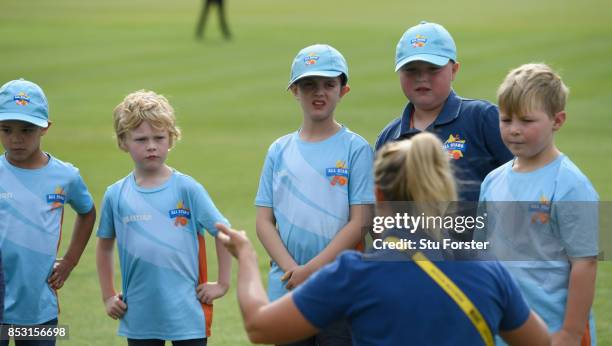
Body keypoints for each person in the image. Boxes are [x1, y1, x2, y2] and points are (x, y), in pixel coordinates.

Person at [218, 132, 550, 346]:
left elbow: (260, 327)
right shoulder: (488, 269)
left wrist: (245, 256)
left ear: (378, 194)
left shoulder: (355, 274)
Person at [254, 43, 375, 345]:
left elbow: (359, 221)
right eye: (308, 85)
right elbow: (264, 221)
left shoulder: (355, 149)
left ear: (343, 90)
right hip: (287, 287)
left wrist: (312, 270)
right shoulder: (279, 150)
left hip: (339, 287)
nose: (318, 92)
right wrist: (292, 270)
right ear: (294, 90)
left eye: (328, 85)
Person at [96, 90, 232, 346]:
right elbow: (104, 247)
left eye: (159, 137)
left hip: (188, 314)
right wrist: (107, 296)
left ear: (171, 139)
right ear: (123, 141)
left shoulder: (187, 189)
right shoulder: (116, 195)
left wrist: (222, 284)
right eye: (141, 139)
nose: (151, 146)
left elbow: (224, 232)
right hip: (138, 316)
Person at [479, 63, 598, 345]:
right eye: (506, 120)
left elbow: (585, 263)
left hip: (554, 331)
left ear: (557, 121)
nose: (514, 130)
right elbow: (481, 256)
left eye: (526, 121)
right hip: (501, 332)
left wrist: (569, 332)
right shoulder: (492, 180)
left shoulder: (571, 184)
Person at [0, 79, 97, 346]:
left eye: (26, 130)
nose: (16, 138)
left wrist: (69, 262)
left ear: (45, 127)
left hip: (38, 306)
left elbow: (87, 212)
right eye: (6, 129)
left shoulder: (65, 176)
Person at [375, 21, 512, 201]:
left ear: (454, 70)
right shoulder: (389, 137)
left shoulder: (482, 118)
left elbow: (521, 178)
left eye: (433, 69)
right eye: (411, 70)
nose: (422, 78)